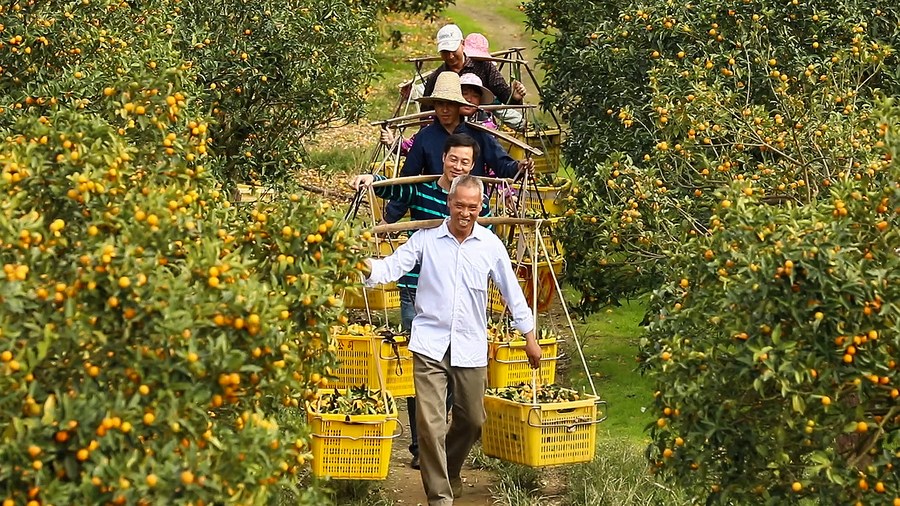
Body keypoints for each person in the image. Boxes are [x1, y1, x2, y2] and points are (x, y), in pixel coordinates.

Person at [361, 175, 541, 506]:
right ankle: (440, 498)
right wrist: (364, 265)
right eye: (459, 205)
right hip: (429, 344)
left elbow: (511, 292)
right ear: (449, 204)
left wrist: (529, 336)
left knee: (472, 421)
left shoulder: (489, 245)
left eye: (472, 207)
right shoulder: (426, 238)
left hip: (470, 346)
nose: (465, 213)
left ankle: (451, 469)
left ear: (480, 207)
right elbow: (392, 266)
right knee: (429, 426)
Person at [353, 134, 490, 470]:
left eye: (465, 162)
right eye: (453, 160)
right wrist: (372, 180)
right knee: (425, 373)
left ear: (473, 166)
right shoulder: (422, 188)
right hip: (416, 289)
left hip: (455, 298)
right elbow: (394, 188)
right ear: (443, 158)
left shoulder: (474, 203)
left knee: (456, 376)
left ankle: (441, 441)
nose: (458, 166)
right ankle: (421, 445)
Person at [383, 71, 533, 223]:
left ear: (459, 105)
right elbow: (407, 180)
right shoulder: (425, 137)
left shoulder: (479, 134)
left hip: (470, 212)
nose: (445, 110)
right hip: (433, 212)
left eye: (450, 104)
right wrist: (389, 218)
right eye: (440, 104)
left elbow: (502, 165)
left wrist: (519, 167)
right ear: (434, 105)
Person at [382, 73, 497, 155]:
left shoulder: (485, 127)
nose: (469, 99)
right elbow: (413, 147)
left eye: (475, 96)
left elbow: (494, 160)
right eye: (464, 94)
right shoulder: (437, 122)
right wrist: (393, 143)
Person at [421, 25, 527, 114]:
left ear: (463, 44)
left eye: (453, 50)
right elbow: (426, 111)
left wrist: (515, 97)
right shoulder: (437, 76)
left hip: (480, 126)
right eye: (445, 52)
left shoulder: (484, 66)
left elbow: (505, 96)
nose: (450, 56)